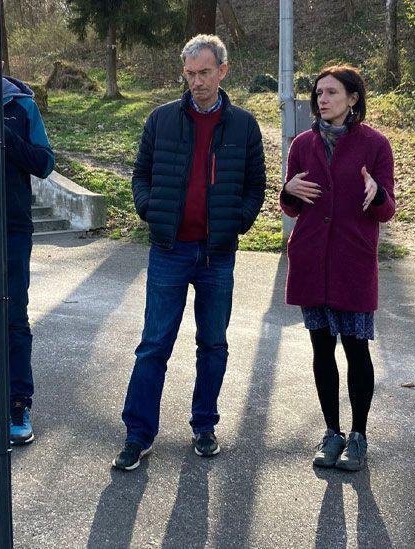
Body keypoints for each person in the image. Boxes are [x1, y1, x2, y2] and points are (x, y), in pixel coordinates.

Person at [112, 34, 267, 471]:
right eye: (190, 73)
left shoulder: (244, 125)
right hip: (169, 249)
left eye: (204, 72)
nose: (196, 81)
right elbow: (140, 173)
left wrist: (239, 220)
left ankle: (203, 425)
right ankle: (138, 434)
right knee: (154, 344)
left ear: (222, 71)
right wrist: (149, 210)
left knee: (213, 344)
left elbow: (256, 184)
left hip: (217, 253)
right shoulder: (161, 120)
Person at [279, 65, 396, 472]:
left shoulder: (376, 145)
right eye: (318, 93)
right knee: (321, 349)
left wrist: (376, 191)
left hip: (352, 262)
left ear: (353, 99)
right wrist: (286, 191)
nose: (322, 99)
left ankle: (359, 435)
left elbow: (387, 210)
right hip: (312, 261)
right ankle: (332, 432)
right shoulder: (302, 144)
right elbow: (292, 204)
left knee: (357, 350)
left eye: (331, 92)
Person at [1, 71, 55, 445]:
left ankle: (17, 403)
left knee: (14, 318)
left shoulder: (20, 105)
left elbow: (44, 162)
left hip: (12, 229)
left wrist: (2, 138)